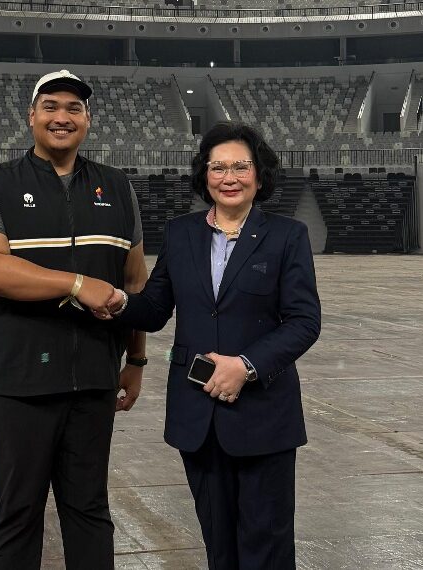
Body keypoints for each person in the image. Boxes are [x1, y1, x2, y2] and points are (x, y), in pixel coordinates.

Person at [104, 122, 321, 569]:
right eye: (217, 167)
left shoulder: (287, 235)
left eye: (240, 166)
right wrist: (116, 300)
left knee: (267, 545)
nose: (229, 177)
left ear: (259, 175)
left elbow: (304, 322)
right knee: (218, 543)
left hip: (263, 415)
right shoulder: (182, 233)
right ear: (204, 176)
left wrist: (246, 365)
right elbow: (155, 308)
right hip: (197, 414)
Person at [0, 69, 149, 570]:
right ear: (32, 116)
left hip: (92, 379)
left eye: (74, 109)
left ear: (88, 120)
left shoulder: (117, 187)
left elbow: (134, 282)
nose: (62, 117)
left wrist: (137, 358)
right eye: (51, 106)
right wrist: (75, 284)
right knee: (17, 513)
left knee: (89, 510)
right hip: (17, 381)